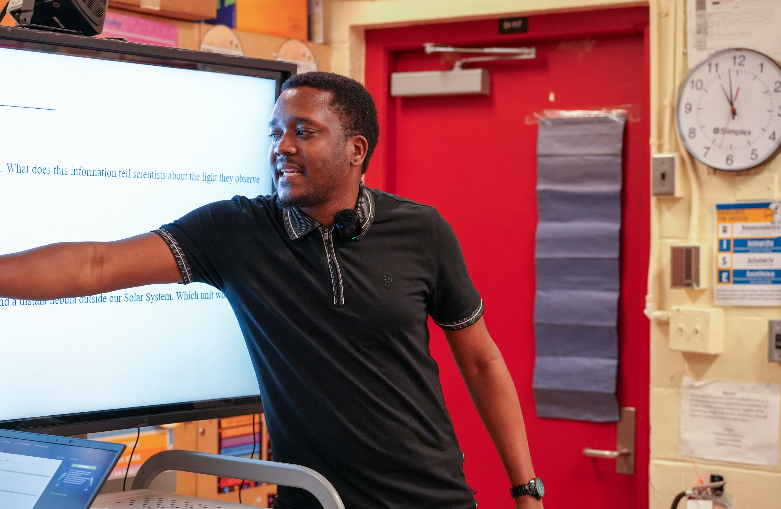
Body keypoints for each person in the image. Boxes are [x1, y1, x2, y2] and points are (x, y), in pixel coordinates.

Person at [0, 72, 542, 509]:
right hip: (313, 500)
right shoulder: (235, 232)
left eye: (303, 132)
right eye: (275, 133)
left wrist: (526, 490)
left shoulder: (422, 231)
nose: (282, 147)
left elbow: (481, 363)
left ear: (355, 149)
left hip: (432, 498)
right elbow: (96, 265)